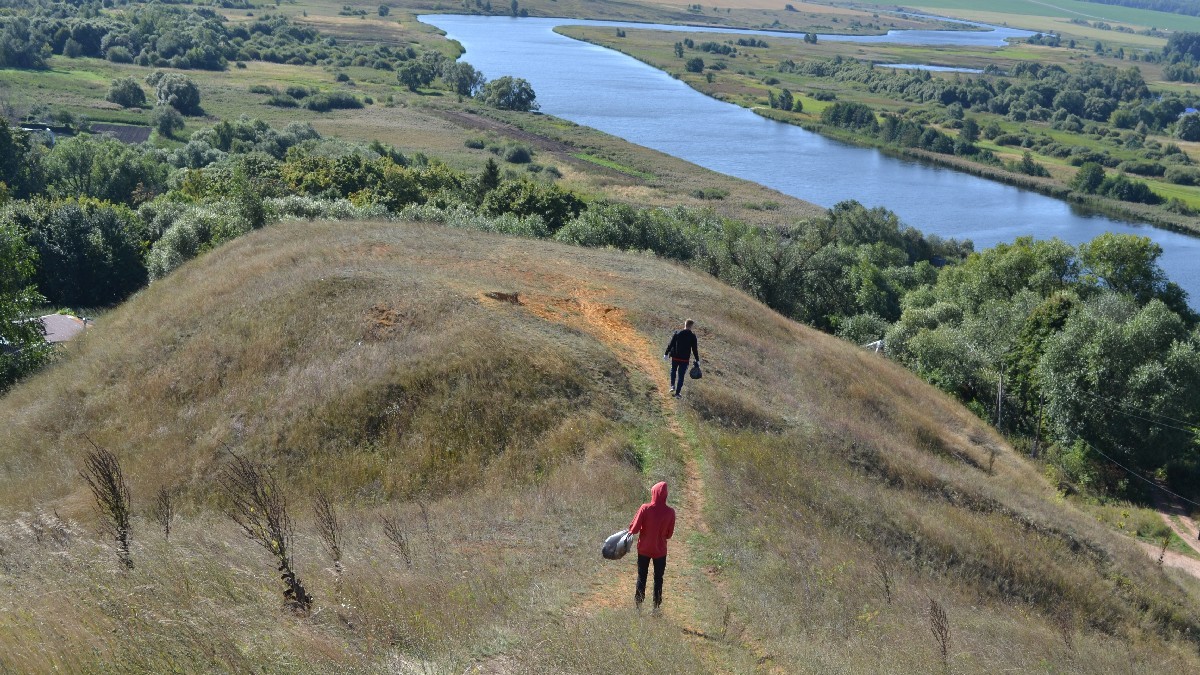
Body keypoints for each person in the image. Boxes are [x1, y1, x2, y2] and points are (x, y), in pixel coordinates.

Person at [628, 481, 675, 613]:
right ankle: (656, 608)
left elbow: (634, 529)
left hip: (643, 549)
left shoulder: (645, 508)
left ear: (653, 493)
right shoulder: (670, 512)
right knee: (658, 578)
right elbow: (669, 535)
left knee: (642, 576)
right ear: (665, 495)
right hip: (660, 551)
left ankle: (638, 607)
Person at [664, 319, 700, 398]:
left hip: (675, 357)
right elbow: (694, 349)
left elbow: (671, 344)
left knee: (673, 370)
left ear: (685, 324)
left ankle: (672, 386)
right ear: (691, 326)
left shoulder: (677, 333)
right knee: (681, 376)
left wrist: (666, 353)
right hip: (684, 360)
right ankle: (677, 393)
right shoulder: (693, 336)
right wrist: (697, 360)